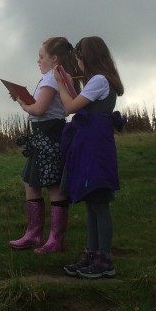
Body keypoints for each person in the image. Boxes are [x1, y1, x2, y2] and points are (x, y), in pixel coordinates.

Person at [52, 36, 125, 279]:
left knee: (99, 204)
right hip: (93, 145)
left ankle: (104, 260)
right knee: (92, 203)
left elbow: (71, 107)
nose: (78, 64)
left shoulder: (99, 80)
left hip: (95, 148)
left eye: (78, 59)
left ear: (87, 57)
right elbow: (80, 103)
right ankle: (92, 254)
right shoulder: (100, 80)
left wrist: (61, 84)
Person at [8, 36, 82, 254]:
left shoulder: (51, 79)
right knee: (31, 183)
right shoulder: (57, 76)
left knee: (54, 187)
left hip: (49, 135)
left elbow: (39, 110)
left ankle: (54, 239)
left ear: (54, 58)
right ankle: (35, 234)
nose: (38, 61)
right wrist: (23, 99)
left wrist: (21, 102)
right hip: (46, 134)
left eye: (41, 57)